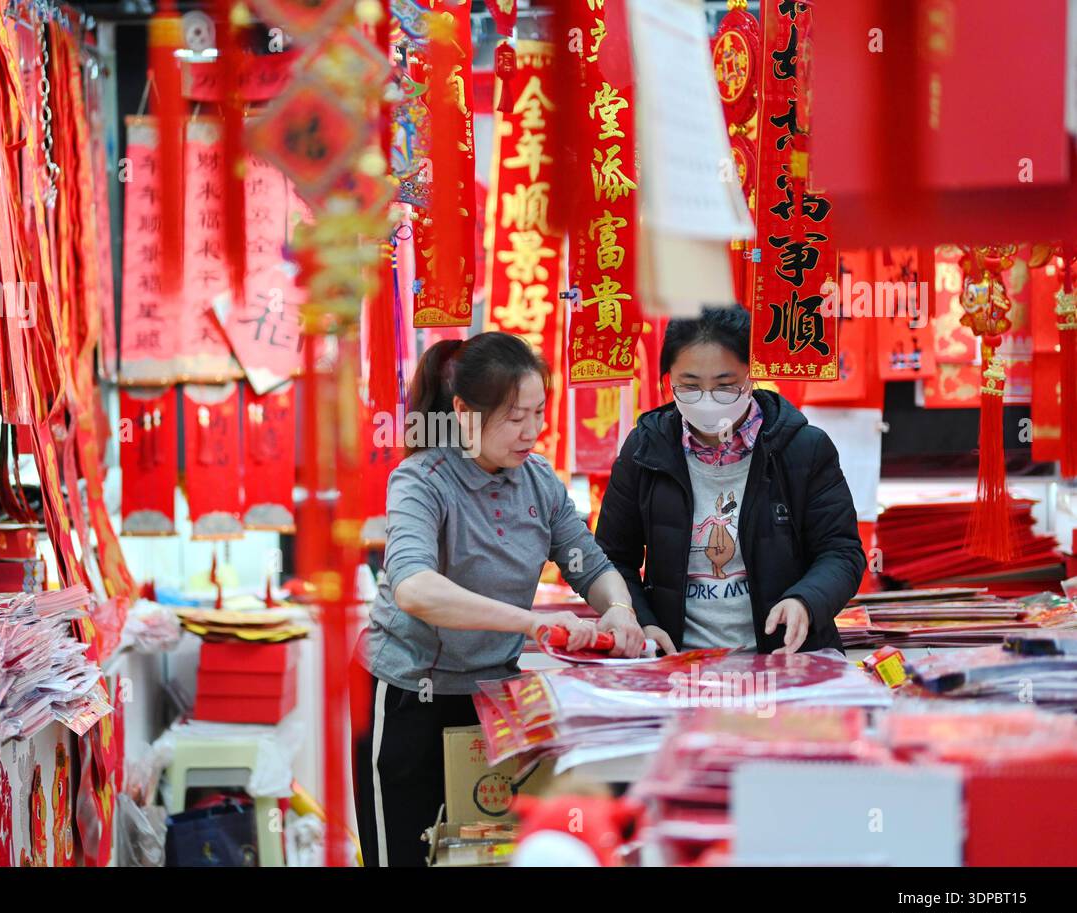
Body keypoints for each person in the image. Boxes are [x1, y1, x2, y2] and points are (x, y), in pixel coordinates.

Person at [352, 331, 650, 867]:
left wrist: (619, 609)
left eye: (539, 413)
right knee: (406, 852)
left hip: (493, 700)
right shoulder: (422, 480)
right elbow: (414, 587)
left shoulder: (539, 481)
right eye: (515, 417)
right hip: (406, 698)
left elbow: (590, 563)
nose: (532, 431)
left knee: (485, 849)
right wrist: (529, 622)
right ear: (463, 412)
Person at [594, 305, 865, 655]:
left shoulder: (803, 449)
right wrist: (641, 620)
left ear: (751, 375)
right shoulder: (645, 450)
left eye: (725, 386)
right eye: (689, 386)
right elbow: (611, 559)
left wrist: (805, 601)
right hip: (678, 663)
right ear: (669, 379)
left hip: (785, 661)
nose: (707, 401)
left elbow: (842, 552)